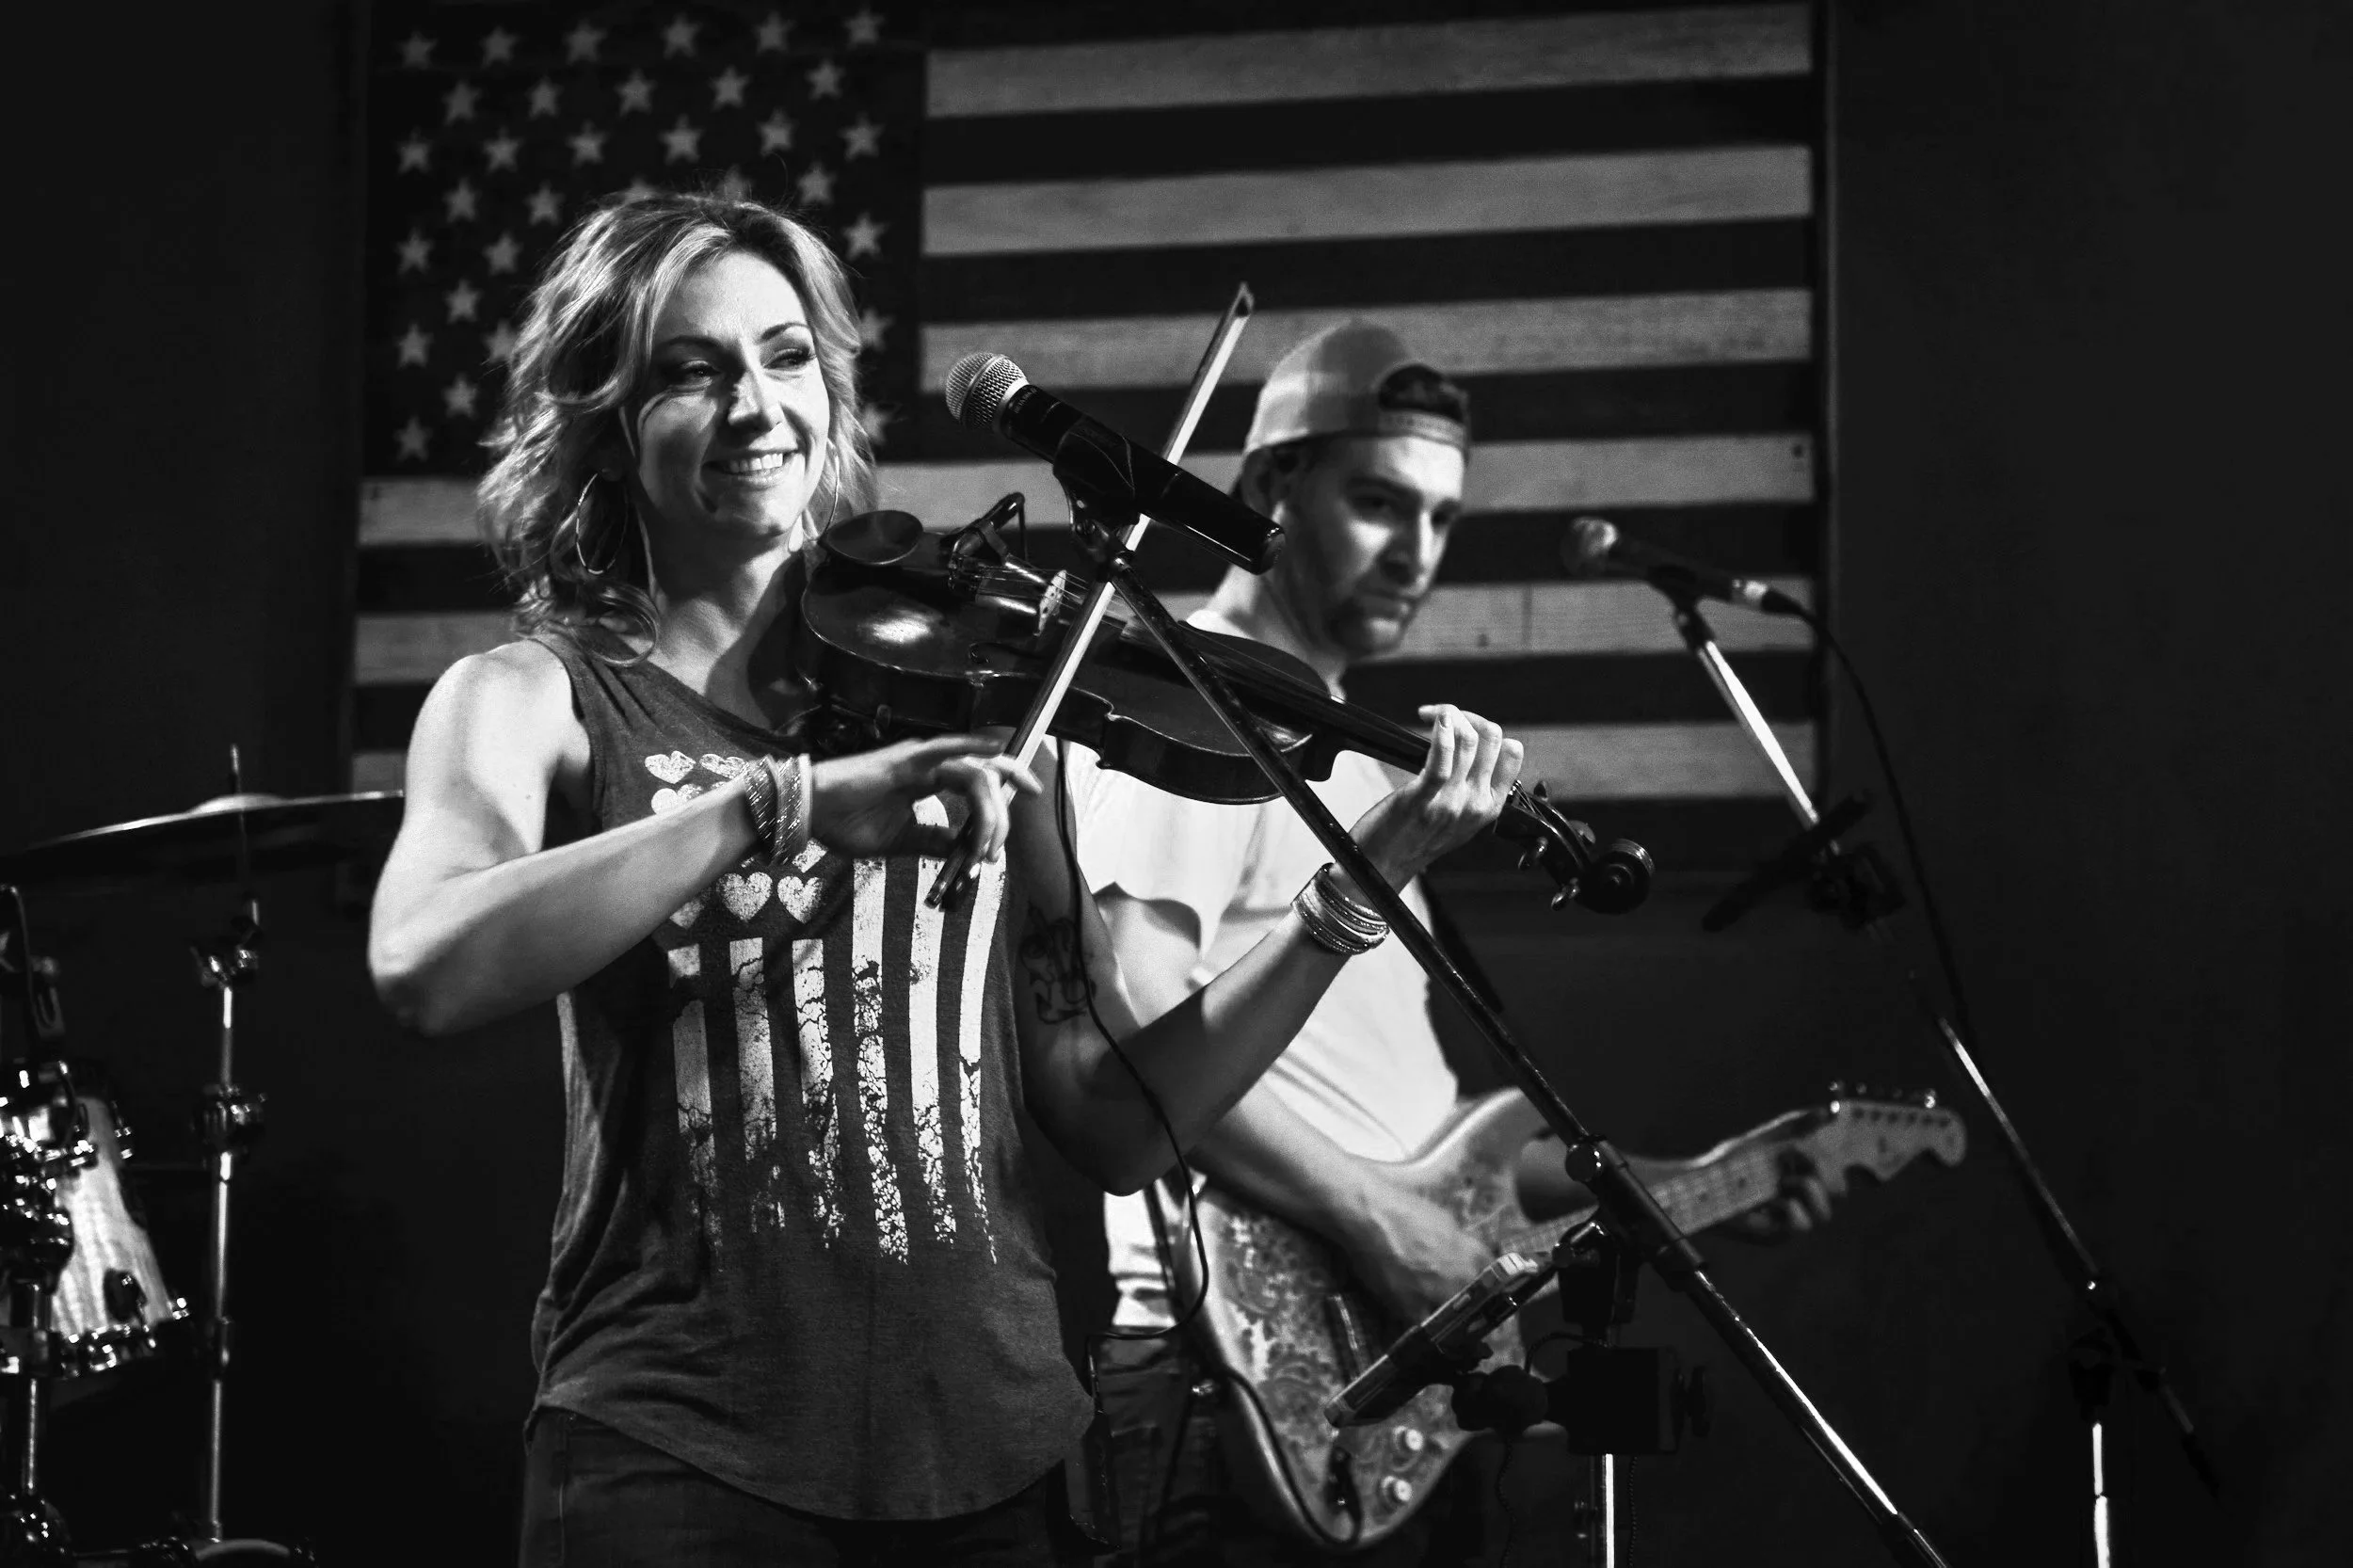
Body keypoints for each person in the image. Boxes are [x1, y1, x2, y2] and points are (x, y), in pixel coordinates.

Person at [362, 195, 1526, 1568]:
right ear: (606, 421)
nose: (757, 407)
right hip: (680, 1445)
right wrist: (780, 803)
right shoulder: (531, 697)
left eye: (788, 358)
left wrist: (1351, 897)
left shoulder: (983, 696)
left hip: (995, 1455)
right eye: (692, 370)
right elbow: (426, 965)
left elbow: (1116, 1120)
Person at [1073, 323, 1840, 1565]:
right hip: (1225, 1370)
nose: (1415, 552)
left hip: (1367, 1373)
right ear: (1270, 486)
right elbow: (1138, 1030)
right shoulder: (1202, 705)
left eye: (1441, 518)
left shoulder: (1353, 759)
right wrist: (1378, 1222)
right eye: (1379, 502)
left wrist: (1694, 1183)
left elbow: (1446, 1154)